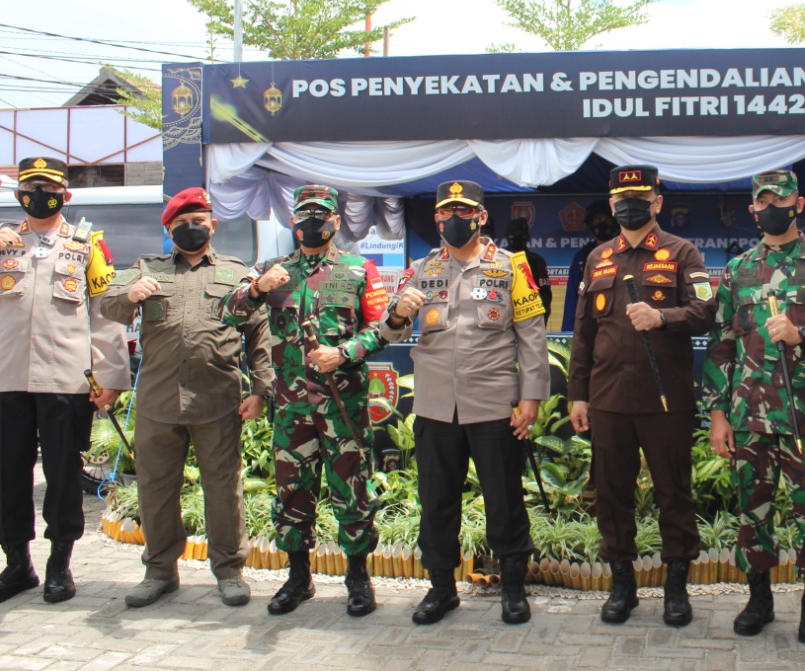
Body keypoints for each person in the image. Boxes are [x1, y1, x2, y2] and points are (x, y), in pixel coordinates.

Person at [381, 180, 549, 626]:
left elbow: (532, 336)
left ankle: (513, 588)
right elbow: (391, 329)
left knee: (503, 498)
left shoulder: (511, 267)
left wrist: (530, 397)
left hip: (494, 404)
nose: (453, 219)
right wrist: (398, 313)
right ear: (436, 218)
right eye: (445, 212)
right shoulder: (421, 268)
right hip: (436, 406)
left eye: (463, 211)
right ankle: (441, 589)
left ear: (481, 217)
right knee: (436, 501)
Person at [705, 170, 805, 645]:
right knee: (753, 514)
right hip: (750, 418)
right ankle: (759, 598)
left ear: (799, 203)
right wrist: (716, 413)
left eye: (780, 198)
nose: (771, 207)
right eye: (763, 201)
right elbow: (720, 346)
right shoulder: (737, 271)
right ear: (753, 209)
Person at [100, 187, 274, 608]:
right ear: (169, 229)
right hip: (159, 403)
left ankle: (230, 571)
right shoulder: (147, 268)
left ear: (213, 225)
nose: (192, 228)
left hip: (218, 400)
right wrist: (129, 295)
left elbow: (259, 335)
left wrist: (262, 391)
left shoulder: (237, 274)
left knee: (222, 489)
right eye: (181, 224)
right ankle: (159, 571)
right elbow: (106, 304)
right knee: (156, 489)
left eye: (199, 221)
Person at [222, 184, 390, 617]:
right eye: (304, 215)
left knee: (352, 492)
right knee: (292, 494)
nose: (311, 223)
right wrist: (258, 288)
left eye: (320, 215)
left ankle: (357, 577)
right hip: (292, 407)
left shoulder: (358, 270)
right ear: (292, 221)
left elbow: (384, 329)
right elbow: (229, 311)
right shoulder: (274, 269)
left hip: (342, 405)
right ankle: (299, 578)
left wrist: (344, 352)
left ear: (335, 222)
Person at [569, 165, 715, 627]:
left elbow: (706, 310)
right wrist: (578, 396)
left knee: (674, 492)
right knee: (612, 496)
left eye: (641, 195)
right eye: (621, 198)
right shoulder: (597, 258)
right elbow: (583, 333)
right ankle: (622, 585)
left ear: (657, 202)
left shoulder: (682, 252)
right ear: (612, 206)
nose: (630, 204)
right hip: (608, 397)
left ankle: (676, 588)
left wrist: (663, 318)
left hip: (664, 399)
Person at [0, 156, 128, 605]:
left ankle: (60, 565)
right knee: (8, 475)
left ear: (65, 195)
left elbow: (107, 317)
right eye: (31, 186)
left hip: (65, 381)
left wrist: (110, 377)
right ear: (18, 193)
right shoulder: (2, 243)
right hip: (7, 379)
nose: (39, 194)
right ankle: (17, 564)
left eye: (48, 187)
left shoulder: (87, 246)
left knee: (62, 475)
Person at [562, 200, 618, 331]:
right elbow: (572, 301)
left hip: (620, 325)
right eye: (596, 220)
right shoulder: (583, 257)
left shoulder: (626, 251)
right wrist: (568, 334)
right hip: (590, 324)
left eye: (606, 219)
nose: (601, 223)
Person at [504, 217, 552, 323]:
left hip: (530, 320)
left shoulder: (536, 262)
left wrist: (539, 323)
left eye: (521, 234)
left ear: (527, 237)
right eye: (515, 234)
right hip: (504, 320)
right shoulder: (499, 260)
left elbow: (545, 296)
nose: (518, 237)